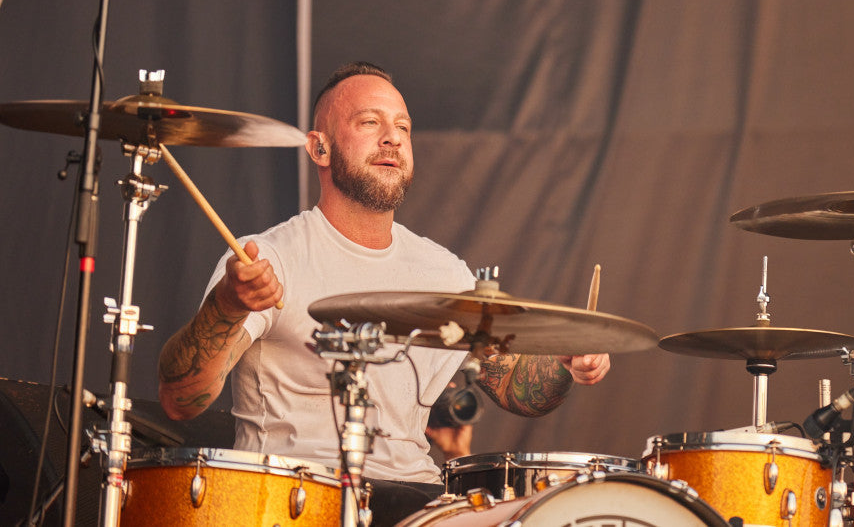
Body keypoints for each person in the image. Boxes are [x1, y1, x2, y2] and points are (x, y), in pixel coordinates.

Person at [157, 61, 610, 525]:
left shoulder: (442, 272)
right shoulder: (268, 259)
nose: (392, 138)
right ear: (320, 148)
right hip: (295, 502)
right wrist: (227, 307)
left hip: (419, 502)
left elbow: (519, 388)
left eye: (403, 127)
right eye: (370, 122)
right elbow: (181, 400)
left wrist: (564, 361)